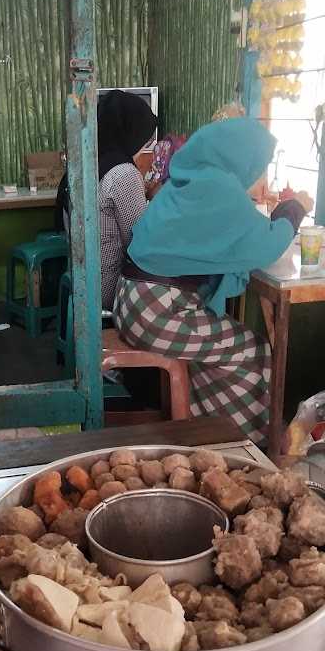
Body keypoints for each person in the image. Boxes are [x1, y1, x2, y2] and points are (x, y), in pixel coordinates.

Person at [114, 117, 313, 447]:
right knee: (254, 352)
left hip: (134, 302)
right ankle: (240, 443)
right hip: (157, 312)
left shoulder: (190, 180)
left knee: (221, 346)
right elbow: (265, 244)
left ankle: (204, 425)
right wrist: (296, 207)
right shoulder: (217, 189)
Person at [54, 90, 157, 310]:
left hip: (82, 281)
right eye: (143, 138)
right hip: (109, 290)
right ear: (130, 132)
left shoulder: (82, 164)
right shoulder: (123, 173)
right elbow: (139, 243)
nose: (142, 146)